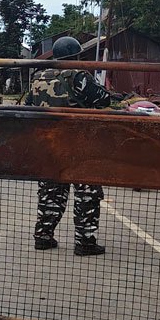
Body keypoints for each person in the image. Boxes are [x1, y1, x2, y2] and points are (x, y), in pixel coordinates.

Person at [27, 35, 107, 256]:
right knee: (87, 194)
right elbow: (103, 100)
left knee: (51, 193)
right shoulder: (79, 76)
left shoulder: (37, 77)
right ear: (76, 55)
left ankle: (43, 236)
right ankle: (85, 242)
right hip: (78, 146)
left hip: (48, 146)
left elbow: (29, 105)